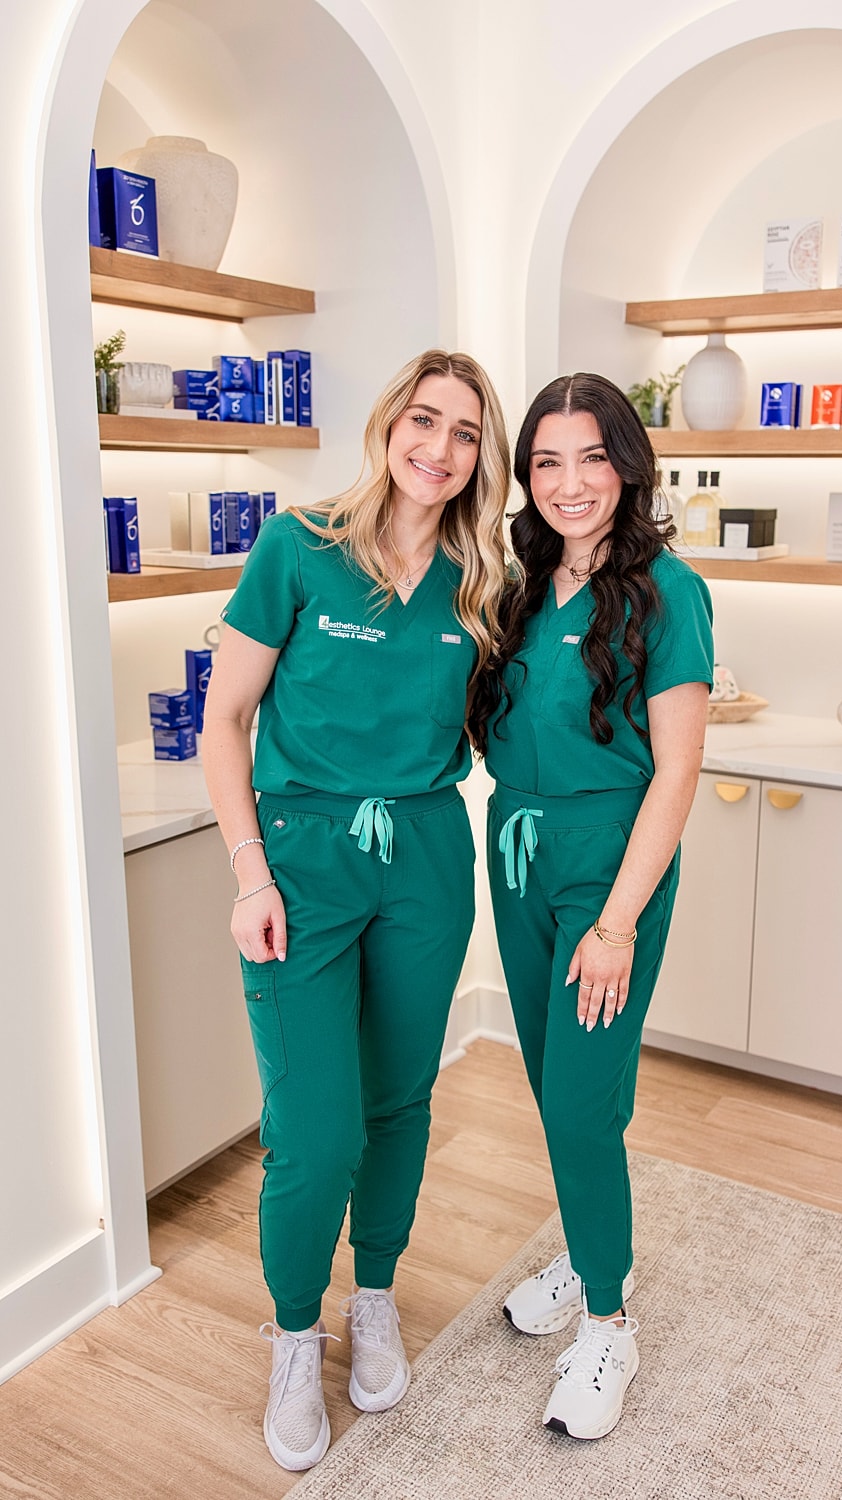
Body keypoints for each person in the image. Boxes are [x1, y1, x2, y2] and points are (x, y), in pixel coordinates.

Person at [201, 350, 510, 1472]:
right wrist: (250, 874)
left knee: (398, 1105)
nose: (438, 448)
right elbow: (225, 721)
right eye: (423, 421)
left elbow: (503, 725)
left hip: (425, 856)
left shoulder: (484, 580)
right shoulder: (298, 547)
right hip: (300, 864)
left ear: (484, 456)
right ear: (387, 428)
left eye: (465, 433)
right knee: (314, 1130)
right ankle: (296, 1337)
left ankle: (372, 1295)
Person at [468, 372, 713, 1441]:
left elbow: (676, 772)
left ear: (627, 465)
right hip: (513, 855)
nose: (569, 484)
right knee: (553, 1080)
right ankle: (584, 1247)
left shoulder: (667, 591)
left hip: (611, 873)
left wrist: (615, 923)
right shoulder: (515, 581)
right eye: (546, 461)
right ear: (526, 475)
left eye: (592, 458)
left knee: (578, 1097)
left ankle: (608, 1324)